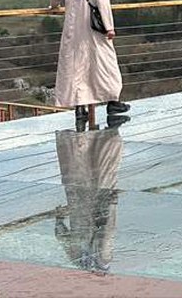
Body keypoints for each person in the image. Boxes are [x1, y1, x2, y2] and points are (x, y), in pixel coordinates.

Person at [49, 0, 129, 120]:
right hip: (94, 31)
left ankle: (80, 109)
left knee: (77, 69)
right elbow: (102, 1)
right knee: (106, 64)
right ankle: (112, 102)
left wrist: (55, 7)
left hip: (72, 31)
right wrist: (109, 27)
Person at [54, 114, 129, 273]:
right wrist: (59, 219)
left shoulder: (102, 260)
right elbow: (62, 236)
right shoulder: (78, 260)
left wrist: (113, 204)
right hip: (79, 202)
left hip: (98, 204)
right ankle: (82, 127)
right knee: (77, 166)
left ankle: (110, 130)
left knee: (103, 168)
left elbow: (107, 231)